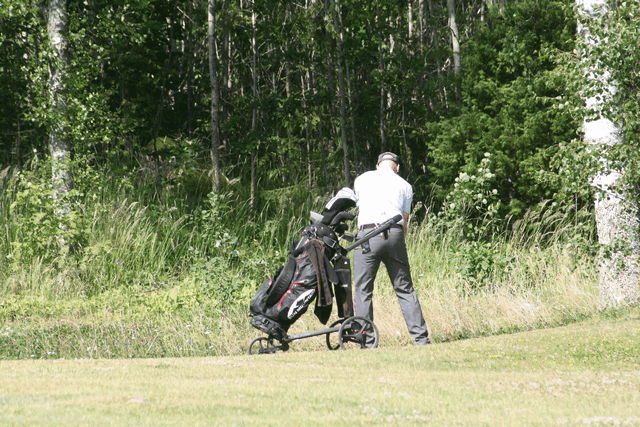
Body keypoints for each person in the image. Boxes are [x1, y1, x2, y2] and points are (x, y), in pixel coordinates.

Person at [353, 152, 430, 345]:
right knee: (404, 288)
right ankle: (420, 338)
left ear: (377, 165)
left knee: (363, 289)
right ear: (397, 168)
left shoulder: (361, 179)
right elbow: (405, 220)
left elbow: (359, 205)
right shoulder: (405, 185)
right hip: (394, 232)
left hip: (368, 235)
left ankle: (367, 341)